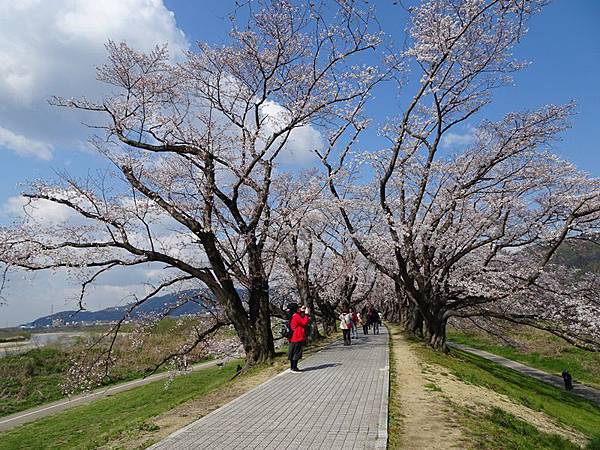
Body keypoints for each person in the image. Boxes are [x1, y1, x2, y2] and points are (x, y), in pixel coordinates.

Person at [288, 304, 310, 373]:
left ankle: (292, 367)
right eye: (298, 308)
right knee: (296, 353)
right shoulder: (296, 316)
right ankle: (294, 368)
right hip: (297, 337)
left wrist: (302, 309)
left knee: (293, 352)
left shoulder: (292, 315)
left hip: (293, 337)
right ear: (295, 309)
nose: (299, 309)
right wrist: (306, 314)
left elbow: (299, 311)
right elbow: (304, 322)